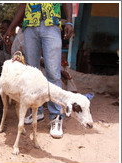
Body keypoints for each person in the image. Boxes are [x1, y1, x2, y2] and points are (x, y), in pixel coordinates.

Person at [4, 3, 73, 138]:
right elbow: (23, 4)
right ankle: (37, 111)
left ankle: (56, 116)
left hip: (51, 24)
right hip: (30, 25)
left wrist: (69, 21)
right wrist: (11, 28)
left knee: (53, 72)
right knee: (32, 72)